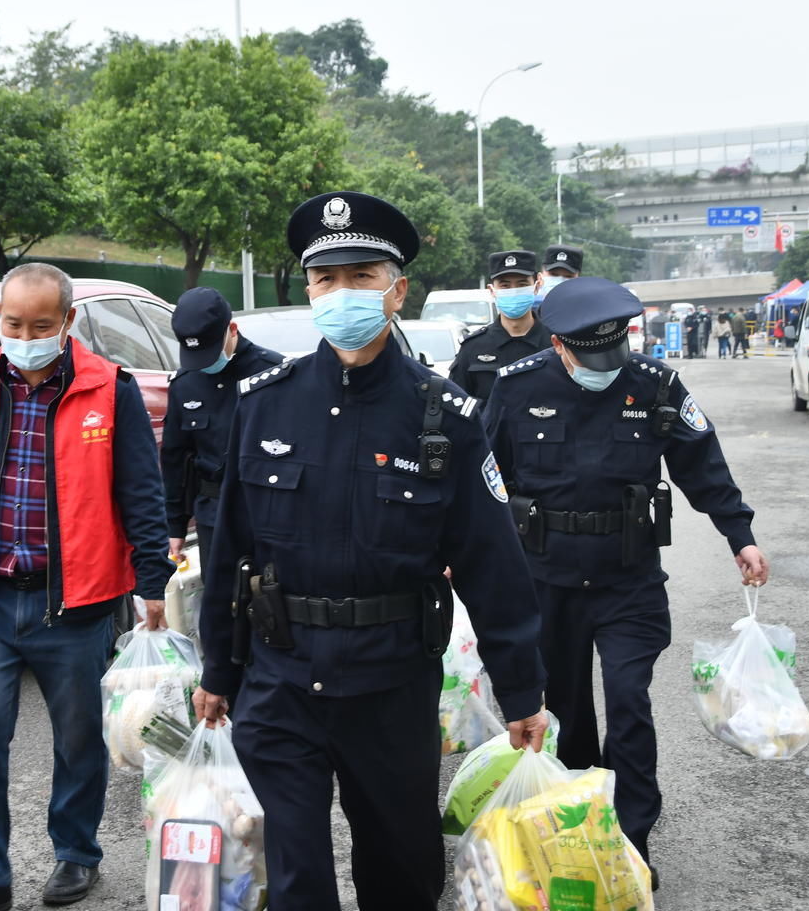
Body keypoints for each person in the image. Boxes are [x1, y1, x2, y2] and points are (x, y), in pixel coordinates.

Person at [193, 191, 549, 911]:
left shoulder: (445, 417)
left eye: (361, 276)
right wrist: (218, 669)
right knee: (296, 878)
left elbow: (491, 561)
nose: (342, 293)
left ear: (397, 291)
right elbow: (229, 547)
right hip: (281, 678)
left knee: (402, 872)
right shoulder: (265, 403)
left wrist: (522, 692)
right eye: (326, 280)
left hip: (390, 684)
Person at [0, 263, 174, 911]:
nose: (25, 337)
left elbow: (141, 490)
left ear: (67, 323)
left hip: (74, 605)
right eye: (12, 324)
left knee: (79, 737)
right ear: (0, 318)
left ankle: (76, 855)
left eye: (40, 325)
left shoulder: (111, 388)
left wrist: (153, 581)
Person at [482, 276, 770, 889]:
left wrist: (739, 535)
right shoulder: (514, 388)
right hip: (548, 578)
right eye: (589, 356)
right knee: (566, 712)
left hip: (628, 580)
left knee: (629, 701)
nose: (603, 368)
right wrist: (458, 551)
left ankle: (632, 840)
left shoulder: (654, 384)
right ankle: (581, 825)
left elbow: (703, 464)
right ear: (559, 345)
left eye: (613, 353)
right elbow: (482, 480)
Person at [159, 287, 283, 563]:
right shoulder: (185, 384)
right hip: (213, 518)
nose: (204, 363)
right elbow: (175, 459)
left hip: (267, 516)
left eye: (210, 352)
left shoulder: (274, 374)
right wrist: (174, 526)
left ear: (233, 329)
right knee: (218, 602)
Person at [449, 250, 552, 403]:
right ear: (492, 291)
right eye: (505, 286)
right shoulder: (473, 347)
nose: (514, 291)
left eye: (522, 284)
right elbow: (457, 404)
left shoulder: (556, 343)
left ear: (536, 286)